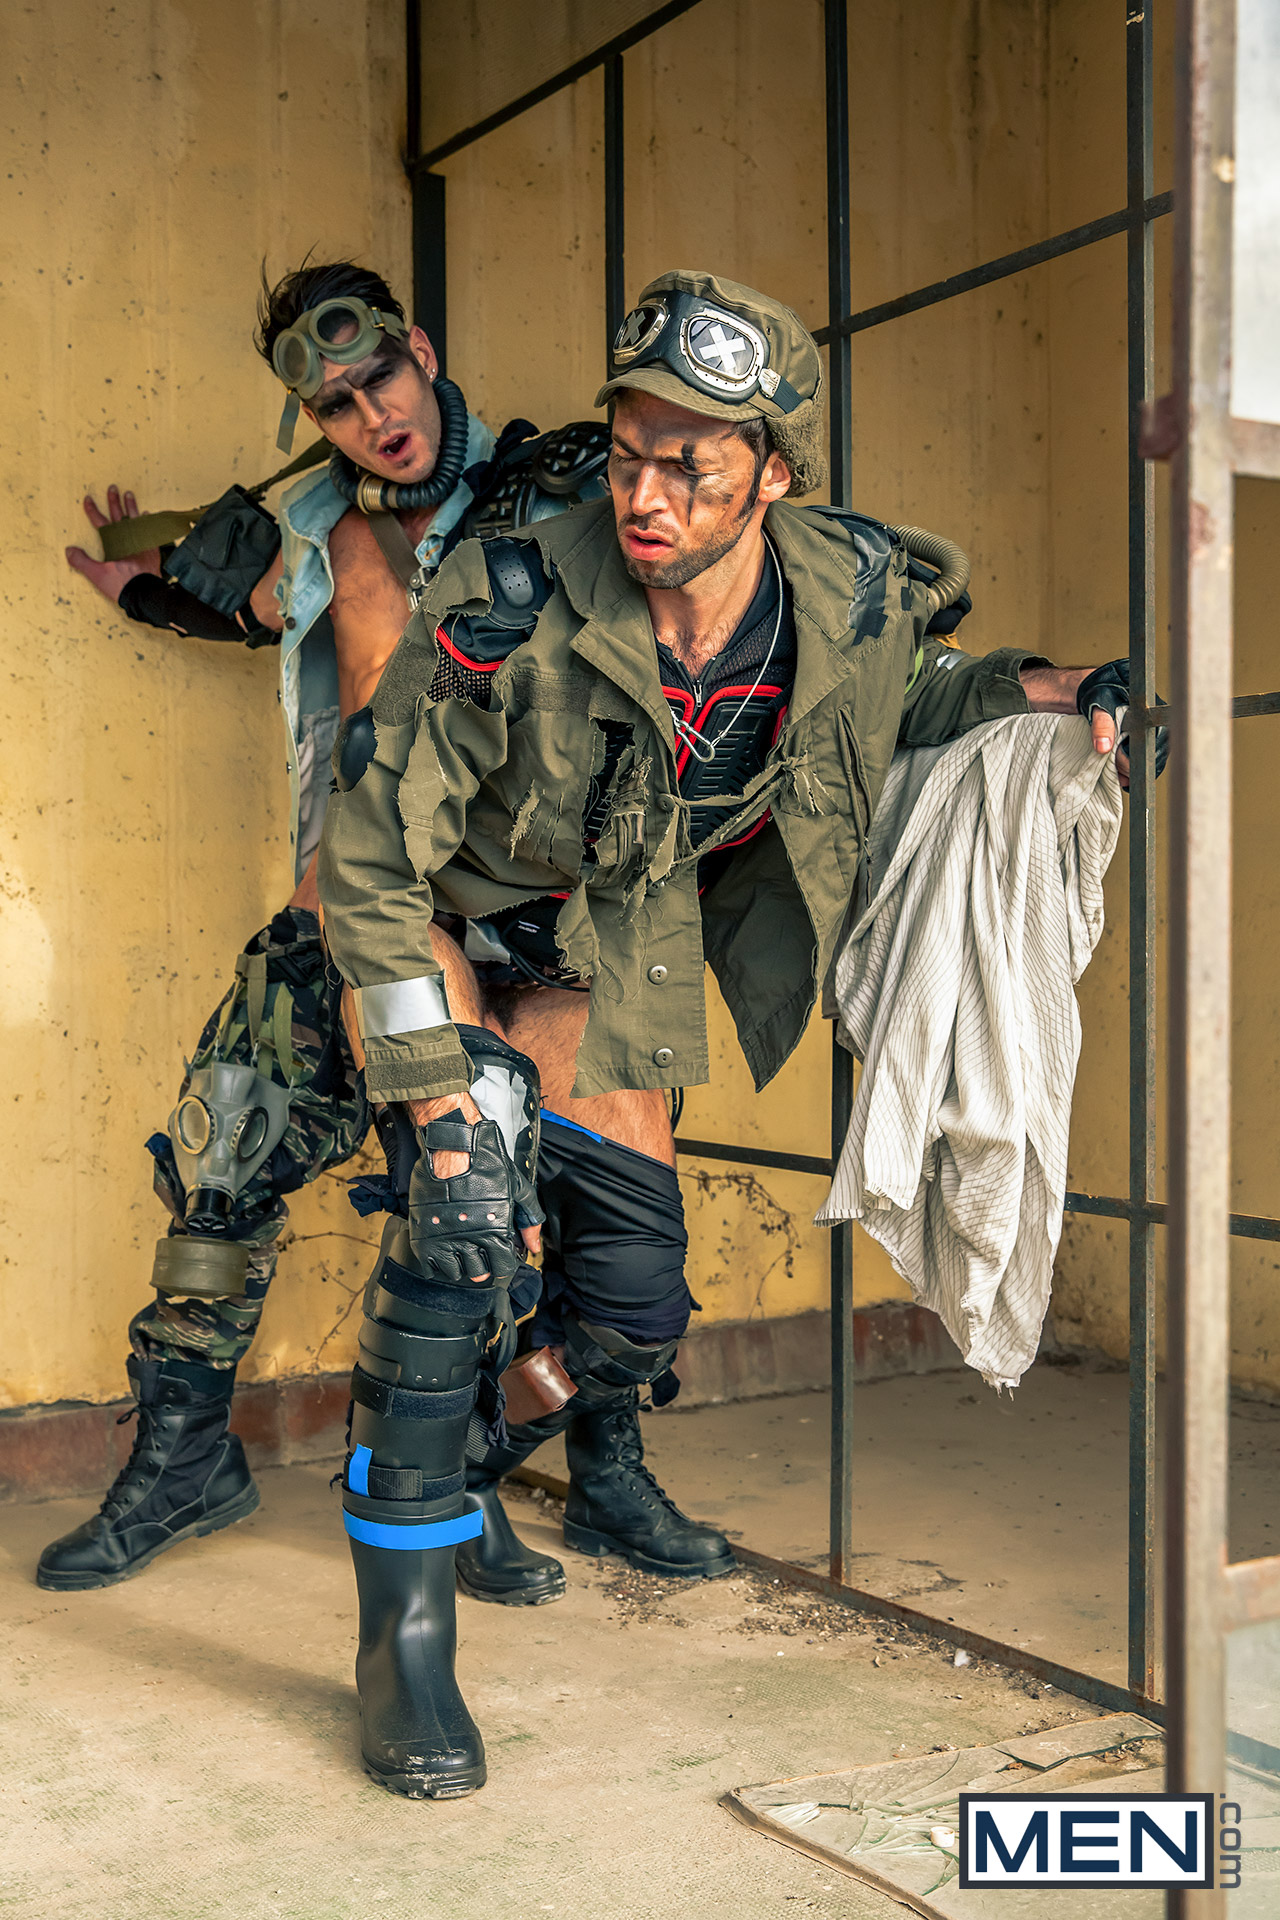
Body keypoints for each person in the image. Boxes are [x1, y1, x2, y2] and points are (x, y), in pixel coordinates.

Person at [316, 266, 1147, 1798]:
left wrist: (1066, 689)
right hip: (429, 908)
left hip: (586, 939)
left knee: (629, 1305)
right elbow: (365, 857)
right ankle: (405, 1645)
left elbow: (924, 692)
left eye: (688, 465)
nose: (644, 492)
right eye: (628, 453)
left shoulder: (840, 590)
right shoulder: (507, 593)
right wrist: (434, 1091)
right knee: (455, 1228)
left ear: (773, 473)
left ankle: (459, 1456)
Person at [38, 260, 608, 1597]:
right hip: (337, 909)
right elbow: (213, 577)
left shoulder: (557, 497)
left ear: (420, 347)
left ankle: (455, 1486)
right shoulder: (315, 518)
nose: (373, 417)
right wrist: (142, 575)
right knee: (220, 1151)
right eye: (338, 404)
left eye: (382, 381)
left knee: (470, 1192)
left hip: (502, 924)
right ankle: (184, 1464)